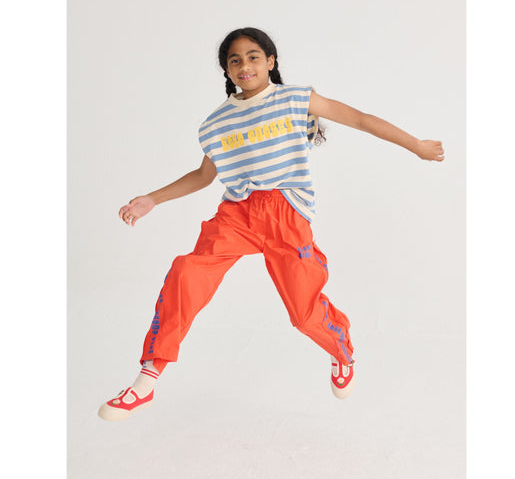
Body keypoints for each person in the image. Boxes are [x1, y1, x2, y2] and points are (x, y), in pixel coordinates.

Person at [98, 27, 444, 421]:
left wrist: (416, 145)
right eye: (235, 60)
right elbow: (203, 176)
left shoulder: (296, 99)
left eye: (253, 57)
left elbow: (361, 120)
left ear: (270, 62)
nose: (244, 65)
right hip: (238, 214)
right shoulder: (216, 124)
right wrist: (152, 199)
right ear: (227, 70)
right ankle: (148, 378)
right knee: (187, 272)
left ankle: (341, 349)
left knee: (304, 313)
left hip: (286, 214)